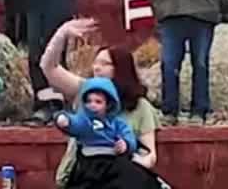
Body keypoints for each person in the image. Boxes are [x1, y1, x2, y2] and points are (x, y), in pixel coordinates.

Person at [42, 19, 160, 188]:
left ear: (121, 69)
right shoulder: (85, 91)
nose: (97, 68)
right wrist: (62, 33)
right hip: (84, 174)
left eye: (105, 64)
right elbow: (49, 67)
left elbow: (150, 155)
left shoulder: (140, 106)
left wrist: (128, 155)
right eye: (96, 62)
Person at [53, 78, 143, 189]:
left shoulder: (117, 122)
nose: (92, 105)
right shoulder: (84, 120)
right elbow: (74, 123)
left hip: (112, 160)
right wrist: (63, 120)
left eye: (98, 102)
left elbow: (129, 136)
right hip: (90, 163)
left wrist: (125, 144)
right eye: (88, 101)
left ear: (108, 104)